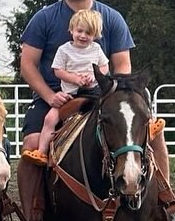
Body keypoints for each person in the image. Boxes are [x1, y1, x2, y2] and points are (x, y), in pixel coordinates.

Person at [17, 0, 175, 221]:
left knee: (154, 133)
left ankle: (166, 202)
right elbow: (28, 65)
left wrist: (112, 96)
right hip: (58, 97)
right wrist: (49, 96)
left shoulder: (111, 19)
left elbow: (122, 66)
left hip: (106, 97)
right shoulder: (44, 18)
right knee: (33, 146)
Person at [21, 9, 109, 165]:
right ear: (71, 30)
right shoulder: (64, 50)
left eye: (88, 33)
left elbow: (105, 67)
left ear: (95, 35)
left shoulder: (96, 49)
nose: (83, 36)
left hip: (93, 93)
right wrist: (74, 78)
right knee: (50, 119)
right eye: (79, 31)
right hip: (70, 95)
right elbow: (58, 70)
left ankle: (143, 130)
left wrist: (95, 75)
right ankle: (41, 151)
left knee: (113, 113)